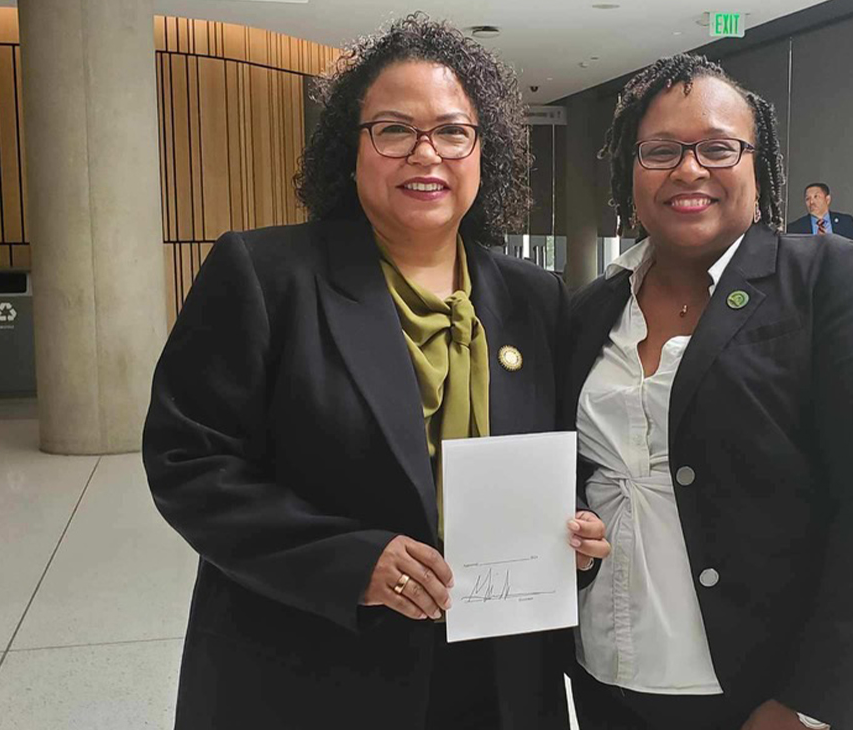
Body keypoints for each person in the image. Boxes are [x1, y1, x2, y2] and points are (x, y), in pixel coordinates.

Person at [142, 15, 609, 730]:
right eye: (394, 130)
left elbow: (560, 456)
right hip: (311, 667)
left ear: (487, 153)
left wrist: (579, 531)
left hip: (497, 673)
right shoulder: (266, 276)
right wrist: (349, 561)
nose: (427, 155)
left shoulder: (532, 297)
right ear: (349, 149)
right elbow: (189, 462)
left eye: (453, 132)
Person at [564, 54, 853, 730]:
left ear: (758, 165)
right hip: (615, 671)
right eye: (661, 151)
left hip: (775, 690)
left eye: (718, 147)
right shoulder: (593, 307)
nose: (689, 169)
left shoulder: (828, 281)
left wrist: (812, 705)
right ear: (631, 169)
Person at [786, 182, 853, 241]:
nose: (811, 202)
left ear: (827, 199)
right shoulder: (795, 228)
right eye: (807, 199)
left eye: (816, 197)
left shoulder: (845, 222)